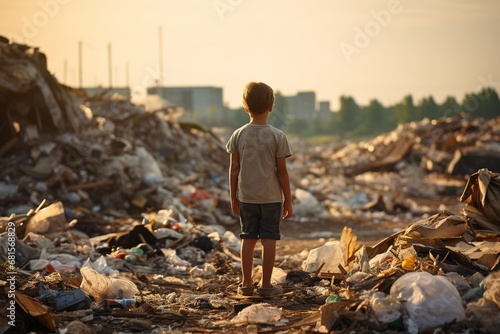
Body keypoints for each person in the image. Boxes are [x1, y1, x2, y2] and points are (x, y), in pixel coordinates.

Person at [226, 82, 293, 297]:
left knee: (248, 238)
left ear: (245, 107)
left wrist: (233, 196)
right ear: (271, 106)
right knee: (269, 240)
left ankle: (246, 285)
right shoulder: (277, 136)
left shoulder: (238, 135)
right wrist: (288, 200)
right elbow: (282, 172)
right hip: (272, 198)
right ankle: (265, 286)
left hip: (247, 197)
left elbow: (234, 169)